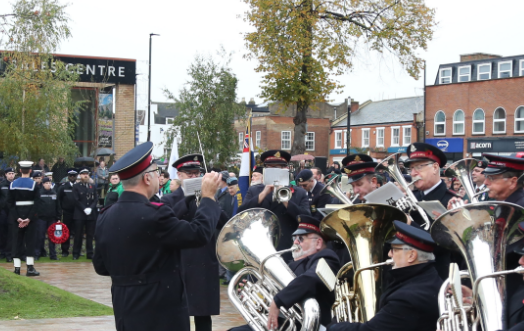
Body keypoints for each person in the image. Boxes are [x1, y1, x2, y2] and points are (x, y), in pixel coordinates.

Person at [93, 141, 222, 330]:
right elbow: (199, 234)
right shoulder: (155, 213)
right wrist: (209, 198)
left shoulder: (105, 215)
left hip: (124, 307)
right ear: (147, 178)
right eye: (155, 172)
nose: (158, 177)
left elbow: (101, 266)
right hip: (160, 311)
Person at [226, 214, 340, 331]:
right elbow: (270, 303)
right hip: (281, 324)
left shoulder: (326, 257)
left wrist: (278, 300)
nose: (295, 242)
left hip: (306, 326)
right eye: (294, 238)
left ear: (318, 243)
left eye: (301, 238)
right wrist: (256, 301)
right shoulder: (289, 265)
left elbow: (311, 278)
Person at [328, 221, 442, 331]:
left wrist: (334, 327)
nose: (389, 254)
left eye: (394, 250)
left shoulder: (407, 299)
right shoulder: (428, 275)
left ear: (411, 255)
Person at [161, 154, 222, 330]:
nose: (194, 177)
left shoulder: (207, 198)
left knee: (203, 315)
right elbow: (172, 218)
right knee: (178, 313)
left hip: (203, 260)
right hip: (180, 262)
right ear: (179, 175)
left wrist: (210, 200)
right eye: (190, 174)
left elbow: (223, 221)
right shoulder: (169, 199)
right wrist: (188, 196)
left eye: (197, 174)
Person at [240, 150, 310, 251]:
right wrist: (263, 194)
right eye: (271, 168)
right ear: (265, 170)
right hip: (260, 246)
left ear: (286, 169)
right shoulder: (254, 190)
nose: (275, 171)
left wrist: (286, 201)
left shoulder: (299, 193)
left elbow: (306, 218)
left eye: (279, 168)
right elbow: (241, 214)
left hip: (288, 246)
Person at [6, 163, 41, 276]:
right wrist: (29, 218)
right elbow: (37, 203)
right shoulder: (34, 184)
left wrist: (18, 218)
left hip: (17, 216)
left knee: (16, 241)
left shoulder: (12, 184)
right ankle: (30, 268)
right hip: (30, 216)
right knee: (30, 241)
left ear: (20, 170)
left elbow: (10, 203)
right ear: (30, 170)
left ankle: (17, 268)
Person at [70, 169, 99, 259]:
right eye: (83, 174)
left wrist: (91, 208)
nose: (85, 176)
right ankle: (76, 253)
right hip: (80, 214)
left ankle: (90, 253)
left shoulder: (92, 186)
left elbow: (95, 198)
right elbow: (75, 199)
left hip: (91, 214)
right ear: (80, 175)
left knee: (90, 235)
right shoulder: (76, 186)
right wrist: (84, 208)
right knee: (78, 234)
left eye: (87, 174)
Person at [36, 173, 61, 260]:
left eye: (49, 183)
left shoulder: (54, 192)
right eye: (46, 183)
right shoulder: (39, 193)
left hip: (52, 218)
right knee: (40, 237)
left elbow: (58, 206)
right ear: (43, 184)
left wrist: (58, 218)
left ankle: (53, 255)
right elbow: (36, 206)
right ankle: (38, 253)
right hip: (41, 218)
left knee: (52, 237)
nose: (48, 185)